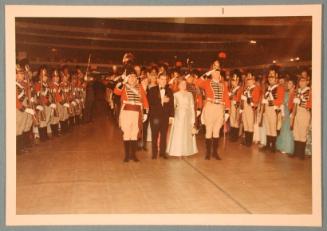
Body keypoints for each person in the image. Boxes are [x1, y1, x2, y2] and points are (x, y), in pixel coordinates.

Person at [195, 60, 230, 160]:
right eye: (214, 70)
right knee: (209, 130)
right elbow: (197, 82)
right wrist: (208, 73)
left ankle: (215, 152)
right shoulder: (207, 82)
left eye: (218, 70)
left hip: (220, 108)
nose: (216, 72)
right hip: (210, 106)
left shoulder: (223, 84)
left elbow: (226, 97)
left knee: (216, 131)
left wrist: (227, 111)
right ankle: (208, 153)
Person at [114, 69, 149, 162]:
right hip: (126, 112)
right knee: (126, 133)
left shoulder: (140, 87)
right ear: (128, 78)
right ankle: (126, 155)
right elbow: (116, 92)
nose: (132, 79)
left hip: (137, 113)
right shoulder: (124, 86)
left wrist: (145, 113)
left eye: (134, 77)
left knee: (134, 134)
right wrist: (122, 81)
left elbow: (144, 100)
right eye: (130, 77)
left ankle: (133, 155)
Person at [166, 78, 198, 157]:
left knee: (187, 133)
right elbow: (173, 107)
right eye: (181, 84)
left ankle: (186, 151)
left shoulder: (190, 94)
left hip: (188, 115)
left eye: (184, 84)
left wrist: (193, 119)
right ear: (178, 85)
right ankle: (178, 151)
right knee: (179, 132)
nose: (183, 85)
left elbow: (191, 106)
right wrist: (171, 117)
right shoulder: (175, 94)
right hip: (179, 116)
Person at [147, 73, 174, 159]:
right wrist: (161, 100)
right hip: (155, 116)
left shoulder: (169, 90)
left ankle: (162, 153)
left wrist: (171, 116)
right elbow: (150, 103)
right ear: (158, 80)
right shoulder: (152, 90)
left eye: (165, 79)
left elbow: (171, 105)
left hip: (165, 117)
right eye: (161, 79)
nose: (163, 81)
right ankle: (154, 153)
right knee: (154, 135)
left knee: (163, 135)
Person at [260, 65, 285, 153]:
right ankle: (268, 145)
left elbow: (280, 100)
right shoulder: (267, 88)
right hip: (267, 109)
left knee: (273, 128)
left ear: (276, 76)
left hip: (274, 110)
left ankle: (273, 146)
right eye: (269, 75)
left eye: (272, 75)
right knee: (268, 127)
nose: (270, 77)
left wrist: (269, 102)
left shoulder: (280, 87)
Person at [289, 70, 311, 159]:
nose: (301, 83)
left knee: (302, 133)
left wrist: (301, 101)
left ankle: (301, 154)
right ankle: (296, 152)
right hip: (296, 112)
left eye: (303, 81)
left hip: (304, 112)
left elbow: (310, 104)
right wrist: (291, 111)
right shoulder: (296, 91)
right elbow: (291, 102)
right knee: (296, 132)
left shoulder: (310, 91)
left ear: (307, 82)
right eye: (300, 81)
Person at [239, 72, 261, 146]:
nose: (248, 81)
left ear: (253, 81)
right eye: (247, 80)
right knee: (245, 124)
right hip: (245, 108)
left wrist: (247, 98)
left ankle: (249, 142)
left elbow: (256, 100)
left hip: (251, 108)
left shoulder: (256, 88)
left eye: (250, 80)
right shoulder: (246, 88)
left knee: (250, 124)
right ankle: (246, 140)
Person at [276, 76, 296, 155]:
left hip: (291, 113)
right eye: (288, 83)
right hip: (286, 113)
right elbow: (283, 103)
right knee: (283, 129)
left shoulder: (295, 94)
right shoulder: (286, 93)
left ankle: (288, 148)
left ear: (294, 85)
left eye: (290, 83)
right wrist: (283, 113)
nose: (288, 84)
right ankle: (282, 146)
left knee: (289, 130)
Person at [34, 66, 52, 141]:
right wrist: (48, 103)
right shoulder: (38, 84)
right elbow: (39, 96)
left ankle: (45, 135)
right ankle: (42, 136)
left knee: (46, 119)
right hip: (42, 104)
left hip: (47, 104)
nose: (45, 77)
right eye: (43, 75)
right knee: (42, 120)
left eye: (46, 75)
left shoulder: (46, 84)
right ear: (39, 76)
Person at [228, 69, 242, 142]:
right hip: (231, 104)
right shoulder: (231, 89)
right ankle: (232, 135)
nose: (234, 82)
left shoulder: (239, 88)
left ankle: (235, 136)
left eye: (236, 80)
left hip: (237, 105)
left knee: (236, 120)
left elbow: (239, 98)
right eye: (233, 80)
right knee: (231, 120)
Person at [48, 70, 61, 137]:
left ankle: (56, 132)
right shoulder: (51, 85)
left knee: (56, 118)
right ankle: (54, 133)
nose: (57, 78)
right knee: (53, 118)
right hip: (53, 103)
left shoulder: (57, 85)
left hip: (57, 102)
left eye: (58, 77)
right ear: (52, 78)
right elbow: (52, 95)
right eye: (55, 77)